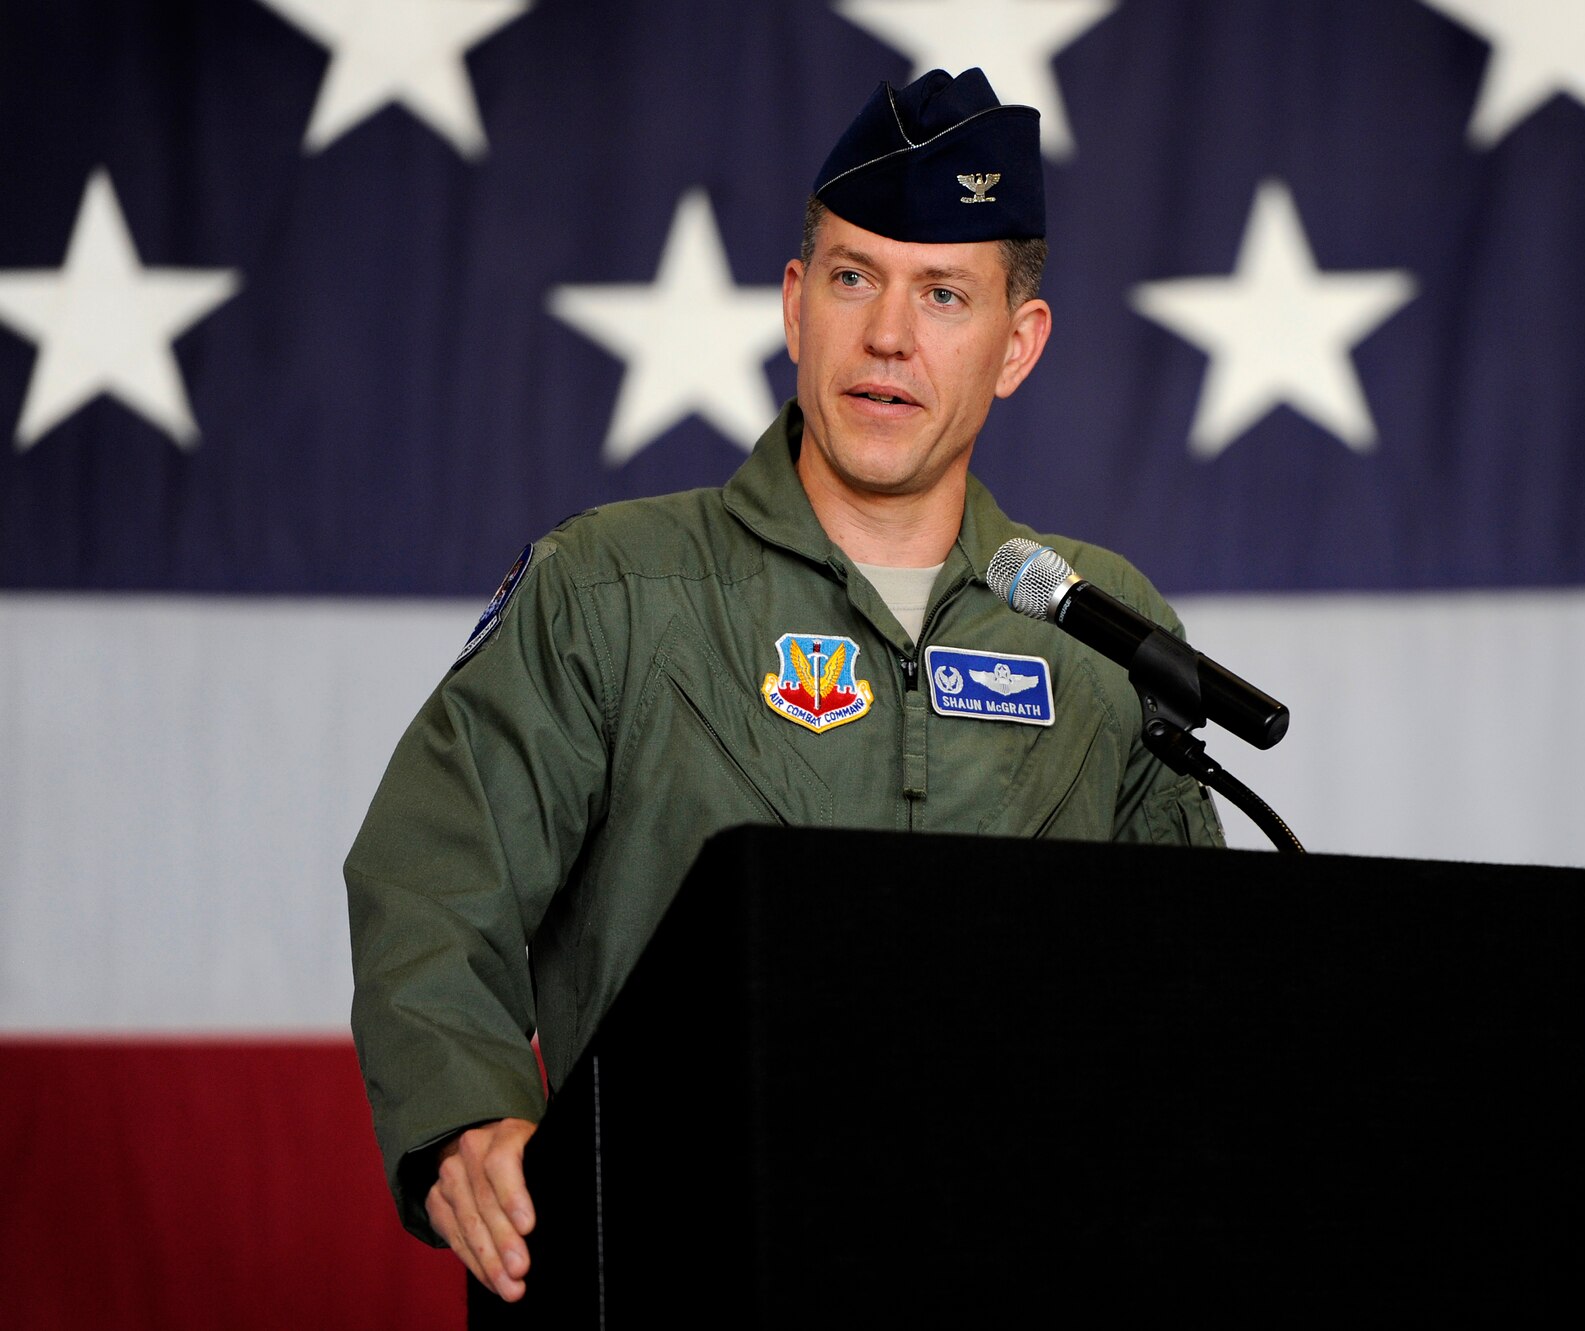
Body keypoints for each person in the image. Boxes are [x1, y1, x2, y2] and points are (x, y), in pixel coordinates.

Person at [345, 67, 1226, 1304]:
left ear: (1014, 345)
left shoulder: (1096, 630)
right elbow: (434, 873)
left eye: (943, 295)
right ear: (794, 302)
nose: (888, 338)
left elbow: (1195, 988)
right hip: (680, 1260)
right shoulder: (612, 585)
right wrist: (465, 1117)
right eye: (855, 277)